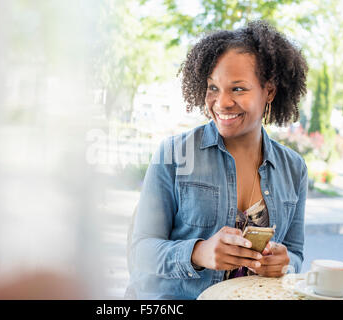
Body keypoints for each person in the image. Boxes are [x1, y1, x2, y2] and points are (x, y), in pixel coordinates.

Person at [126, 20, 309, 300]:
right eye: (213, 88)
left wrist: (285, 263)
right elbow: (140, 252)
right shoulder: (174, 154)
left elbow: (295, 254)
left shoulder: (294, 169)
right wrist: (198, 253)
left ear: (269, 91)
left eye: (238, 89)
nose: (221, 102)